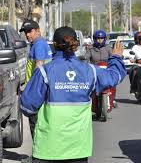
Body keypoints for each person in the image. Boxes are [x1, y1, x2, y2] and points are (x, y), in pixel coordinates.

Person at [20, 26, 126, 163]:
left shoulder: (44, 72)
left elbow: (27, 106)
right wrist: (116, 57)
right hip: (78, 150)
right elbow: (115, 76)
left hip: (48, 149)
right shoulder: (90, 71)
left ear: (55, 45)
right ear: (76, 45)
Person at [19, 19, 52, 139]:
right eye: (25, 32)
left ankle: (36, 156)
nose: (27, 35)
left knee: (35, 125)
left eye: (30, 31)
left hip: (37, 91)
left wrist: (31, 91)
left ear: (38, 31)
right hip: (41, 90)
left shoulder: (38, 45)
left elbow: (39, 69)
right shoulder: (41, 44)